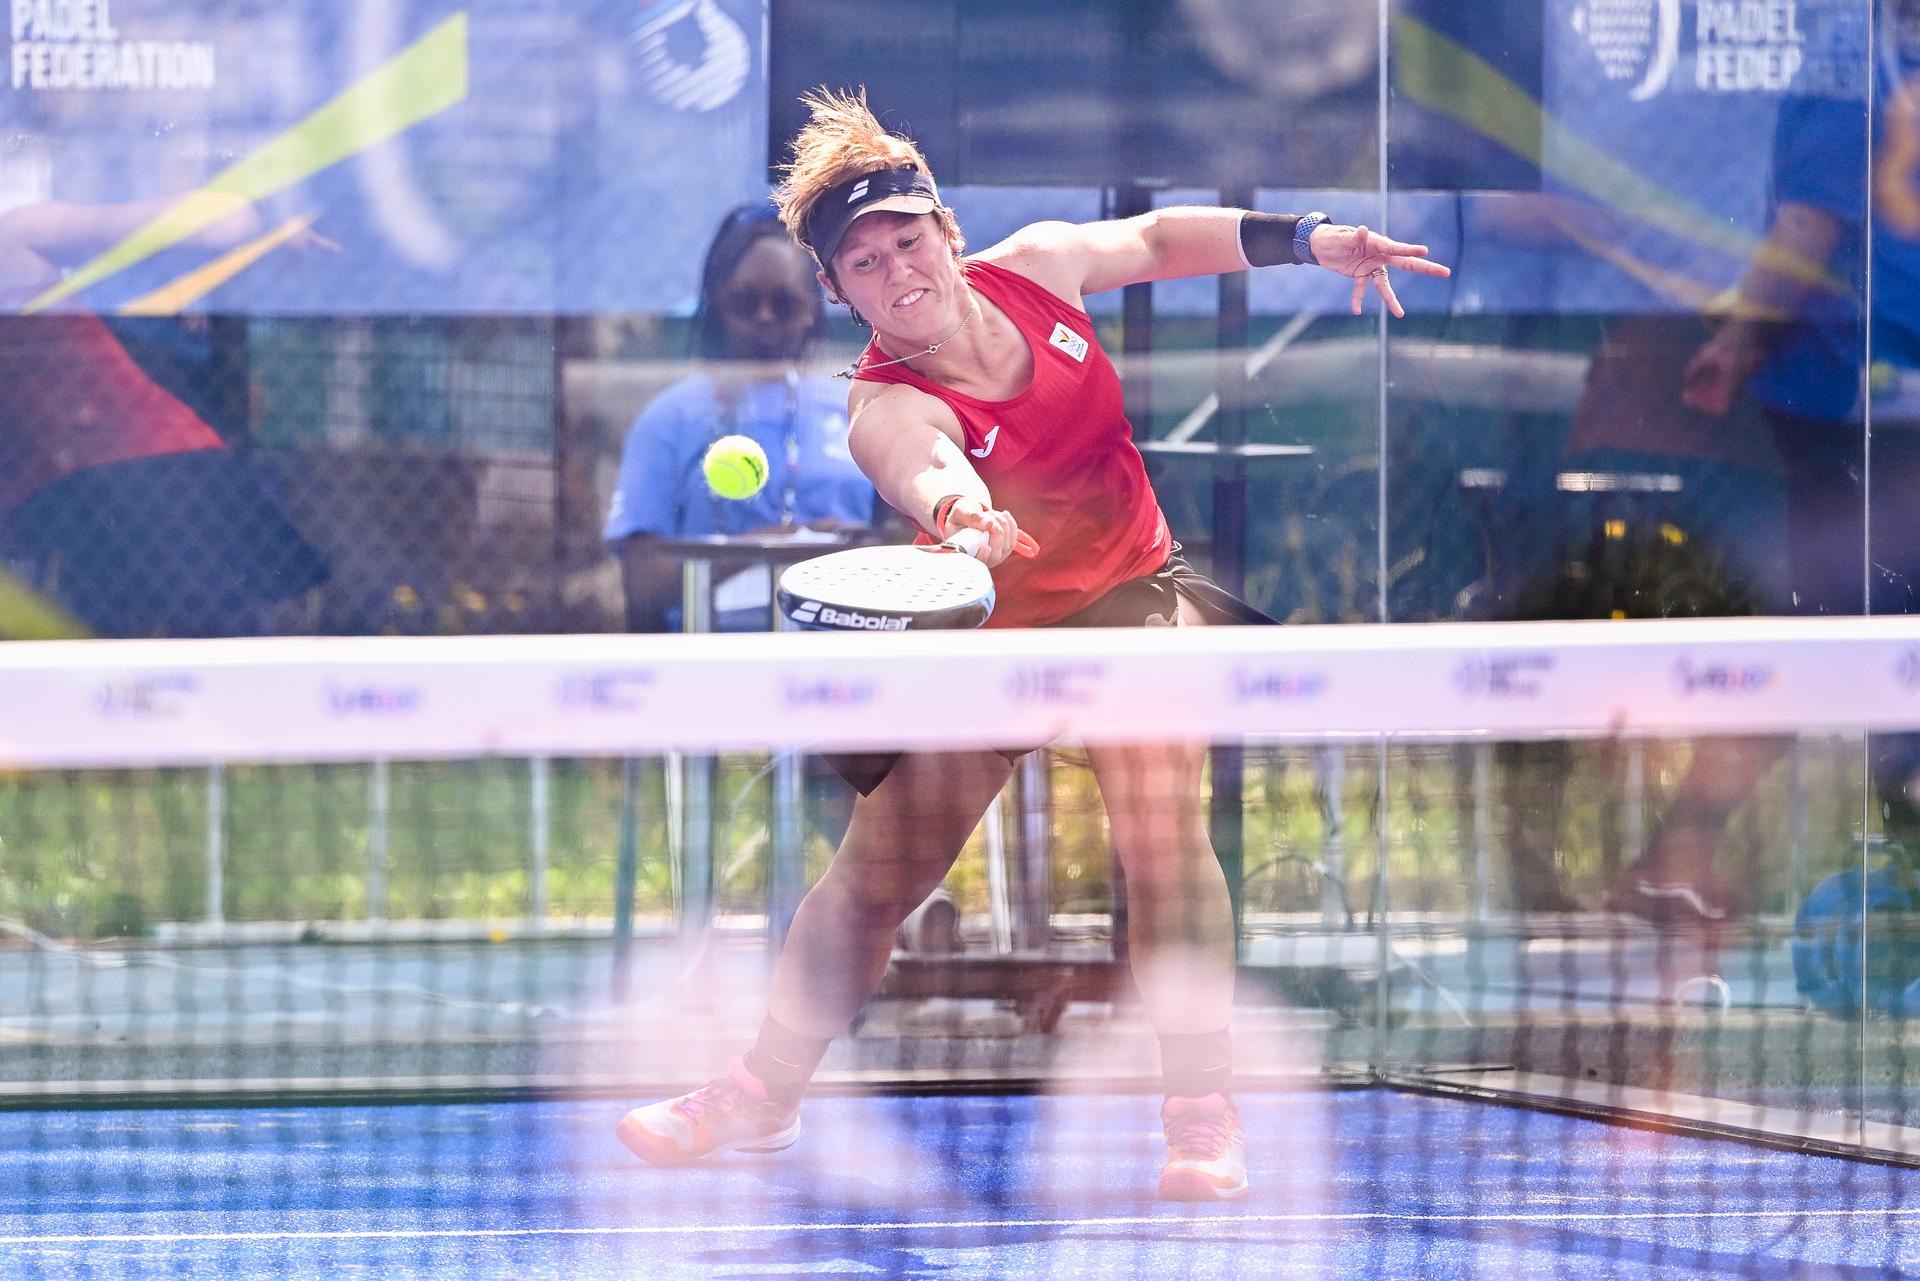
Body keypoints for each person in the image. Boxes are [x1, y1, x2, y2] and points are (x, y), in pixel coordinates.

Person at [614, 89, 1450, 1200]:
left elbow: (1157, 240)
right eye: (862, 265)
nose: (896, 273)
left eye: (906, 241)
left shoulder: (1040, 265)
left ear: (945, 231)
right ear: (834, 290)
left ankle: (1201, 1109)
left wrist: (1306, 240)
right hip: (986, 635)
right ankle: (763, 1093)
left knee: (1160, 822)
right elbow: (923, 461)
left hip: (1131, 597)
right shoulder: (881, 403)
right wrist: (962, 515)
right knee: (874, 878)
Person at [0, 194, 330, 638]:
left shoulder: (13, 238)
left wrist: (263, 220)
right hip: (71, 496)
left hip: (155, 475)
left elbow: (214, 222)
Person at [604, 201, 884, 632]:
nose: (764, 319)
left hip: (846, 665)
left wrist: (856, 549)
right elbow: (642, 584)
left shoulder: (860, 406)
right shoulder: (669, 417)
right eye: (745, 302)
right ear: (719, 308)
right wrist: (770, 548)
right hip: (714, 666)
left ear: (813, 307)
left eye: (785, 303)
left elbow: (905, 545)